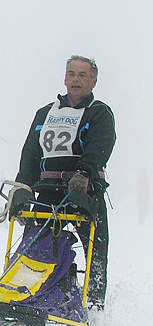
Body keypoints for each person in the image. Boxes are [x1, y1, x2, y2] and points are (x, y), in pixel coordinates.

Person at [15, 55, 116, 311]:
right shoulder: (45, 114)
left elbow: (99, 146)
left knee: (95, 253)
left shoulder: (99, 113)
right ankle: (22, 302)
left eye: (82, 75)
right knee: (32, 248)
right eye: (71, 74)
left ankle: (94, 312)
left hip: (84, 193)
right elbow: (31, 154)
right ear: (64, 79)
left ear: (93, 81)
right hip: (48, 192)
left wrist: (84, 172)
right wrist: (22, 187)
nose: (76, 79)